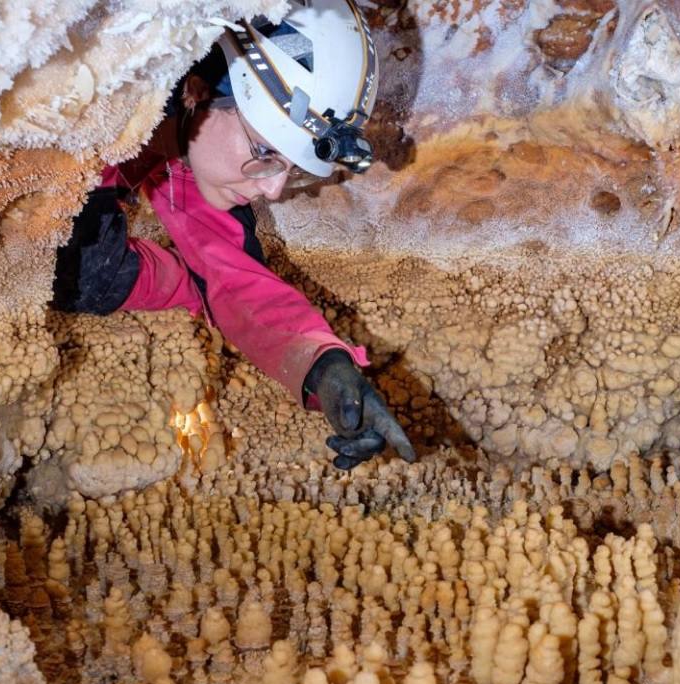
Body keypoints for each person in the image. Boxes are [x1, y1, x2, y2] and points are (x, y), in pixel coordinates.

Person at [52, 0, 414, 471]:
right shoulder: (81, 128)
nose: (273, 188)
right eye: (266, 152)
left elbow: (238, 279)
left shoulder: (198, 143)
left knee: (208, 274)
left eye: (292, 169)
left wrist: (321, 364)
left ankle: (191, 283)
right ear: (198, 91)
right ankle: (188, 281)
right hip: (84, 172)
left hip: (172, 150)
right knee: (77, 271)